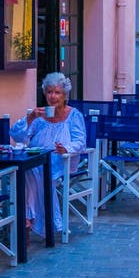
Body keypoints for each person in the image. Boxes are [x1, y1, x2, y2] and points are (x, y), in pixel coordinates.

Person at [10, 72, 86, 236]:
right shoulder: (39, 115)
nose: (52, 96)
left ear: (64, 95)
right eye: (49, 92)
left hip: (61, 161)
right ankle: (30, 221)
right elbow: (17, 135)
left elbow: (80, 141)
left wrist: (66, 149)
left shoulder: (74, 115)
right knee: (28, 172)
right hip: (36, 159)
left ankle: (28, 221)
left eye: (57, 92)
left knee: (32, 174)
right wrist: (30, 118)